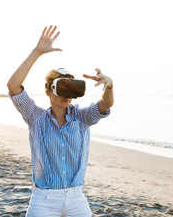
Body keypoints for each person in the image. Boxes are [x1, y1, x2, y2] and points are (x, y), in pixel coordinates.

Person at [7, 25, 114, 217]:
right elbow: (13, 86)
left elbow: (106, 104)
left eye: (70, 89)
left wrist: (109, 85)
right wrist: (37, 52)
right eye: (61, 88)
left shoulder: (82, 118)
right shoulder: (35, 117)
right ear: (48, 91)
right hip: (44, 200)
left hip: (76, 199)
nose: (66, 95)